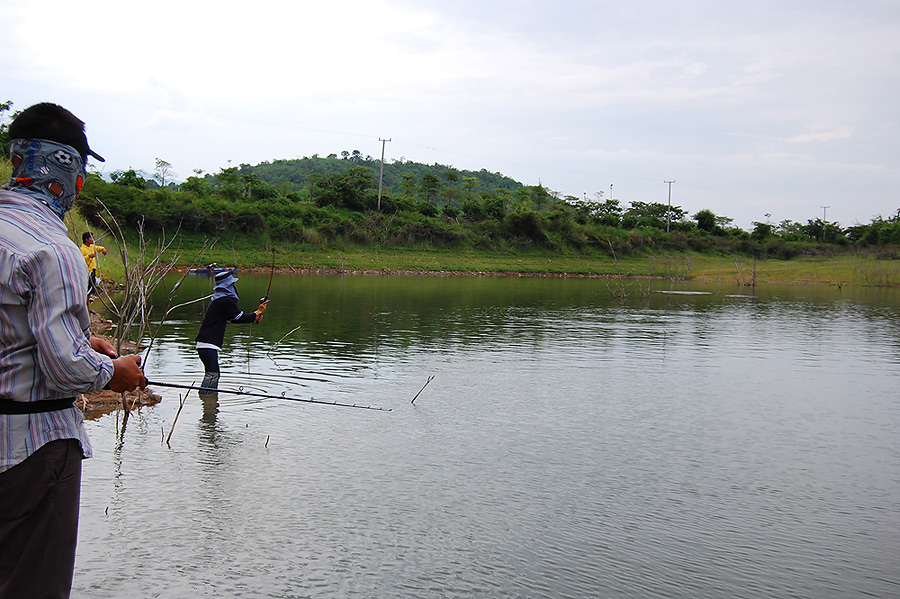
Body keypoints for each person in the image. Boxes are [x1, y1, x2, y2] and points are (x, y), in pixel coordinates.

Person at [0, 102, 147, 599]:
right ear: (71, 171)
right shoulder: (53, 247)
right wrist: (111, 372)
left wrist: (83, 342)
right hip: (32, 450)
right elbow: (65, 370)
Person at [195, 268, 268, 394]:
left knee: (212, 374)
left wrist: (254, 317)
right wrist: (258, 312)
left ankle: (208, 400)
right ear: (229, 285)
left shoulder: (219, 299)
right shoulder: (225, 300)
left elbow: (234, 319)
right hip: (208, 344)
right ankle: (207, 400)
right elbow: (238, 316)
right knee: (213, 374)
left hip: (205, 343)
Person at [80, 231, 107, 296]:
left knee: (91, 289)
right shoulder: (82, 249)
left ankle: (87, 304)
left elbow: (98, 248)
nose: (92, 239)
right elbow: (80, 259)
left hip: (93, 271)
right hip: (87, 271)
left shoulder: (92, 247)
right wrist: (89, 256)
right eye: (91, 238)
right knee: (87, 289)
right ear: (86, 239)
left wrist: (103, 249)